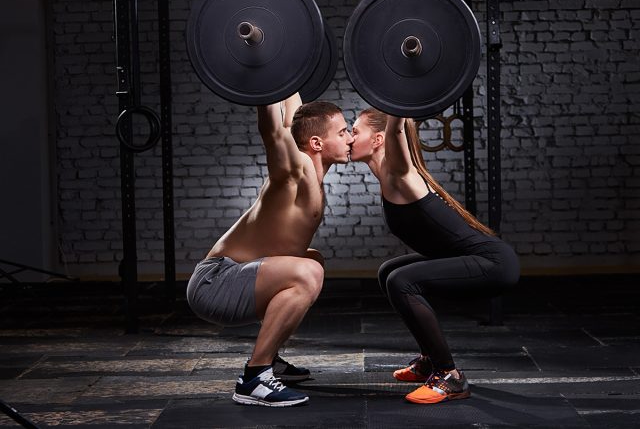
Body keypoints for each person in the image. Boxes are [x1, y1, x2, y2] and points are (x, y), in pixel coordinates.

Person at [186, 93, 353, 407]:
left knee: (311, 258)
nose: (350, 137)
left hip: (235, 279)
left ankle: (271, 359)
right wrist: (264, 89)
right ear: (317, 143)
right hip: (216, 284)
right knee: (308, 272)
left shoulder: (310, 171)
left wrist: (283, 71)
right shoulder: (294, 173)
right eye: (343, 132)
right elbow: (275, 131)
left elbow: (291, 118)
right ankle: (255, 377)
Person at [349, 108, 519, 404]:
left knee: (402, 281)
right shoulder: (388, 174)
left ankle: (449, 376)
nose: (350, 139)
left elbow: (396, 129)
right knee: (389, 272)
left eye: (355, 131)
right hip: (480, 260)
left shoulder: (399, 172)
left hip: (494, 264)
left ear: (379, 138)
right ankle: (429, 360)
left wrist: (396, 104)